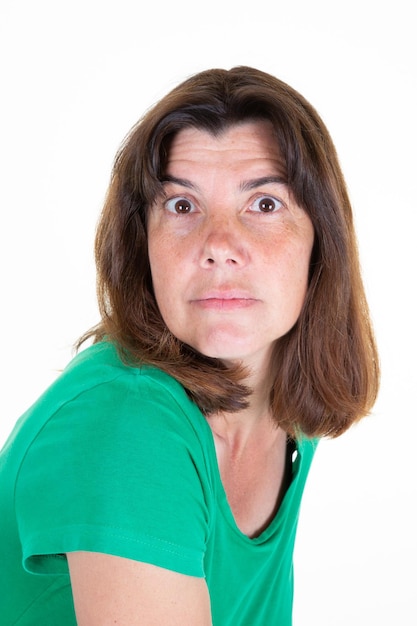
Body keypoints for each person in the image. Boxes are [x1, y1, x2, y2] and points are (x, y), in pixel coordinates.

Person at [0, 66, 379, 625]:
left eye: (265, 204)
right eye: (182, 206)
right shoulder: (127, 424)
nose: (219, 245)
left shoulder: (287, 402)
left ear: (320, 242)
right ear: (142, 244)